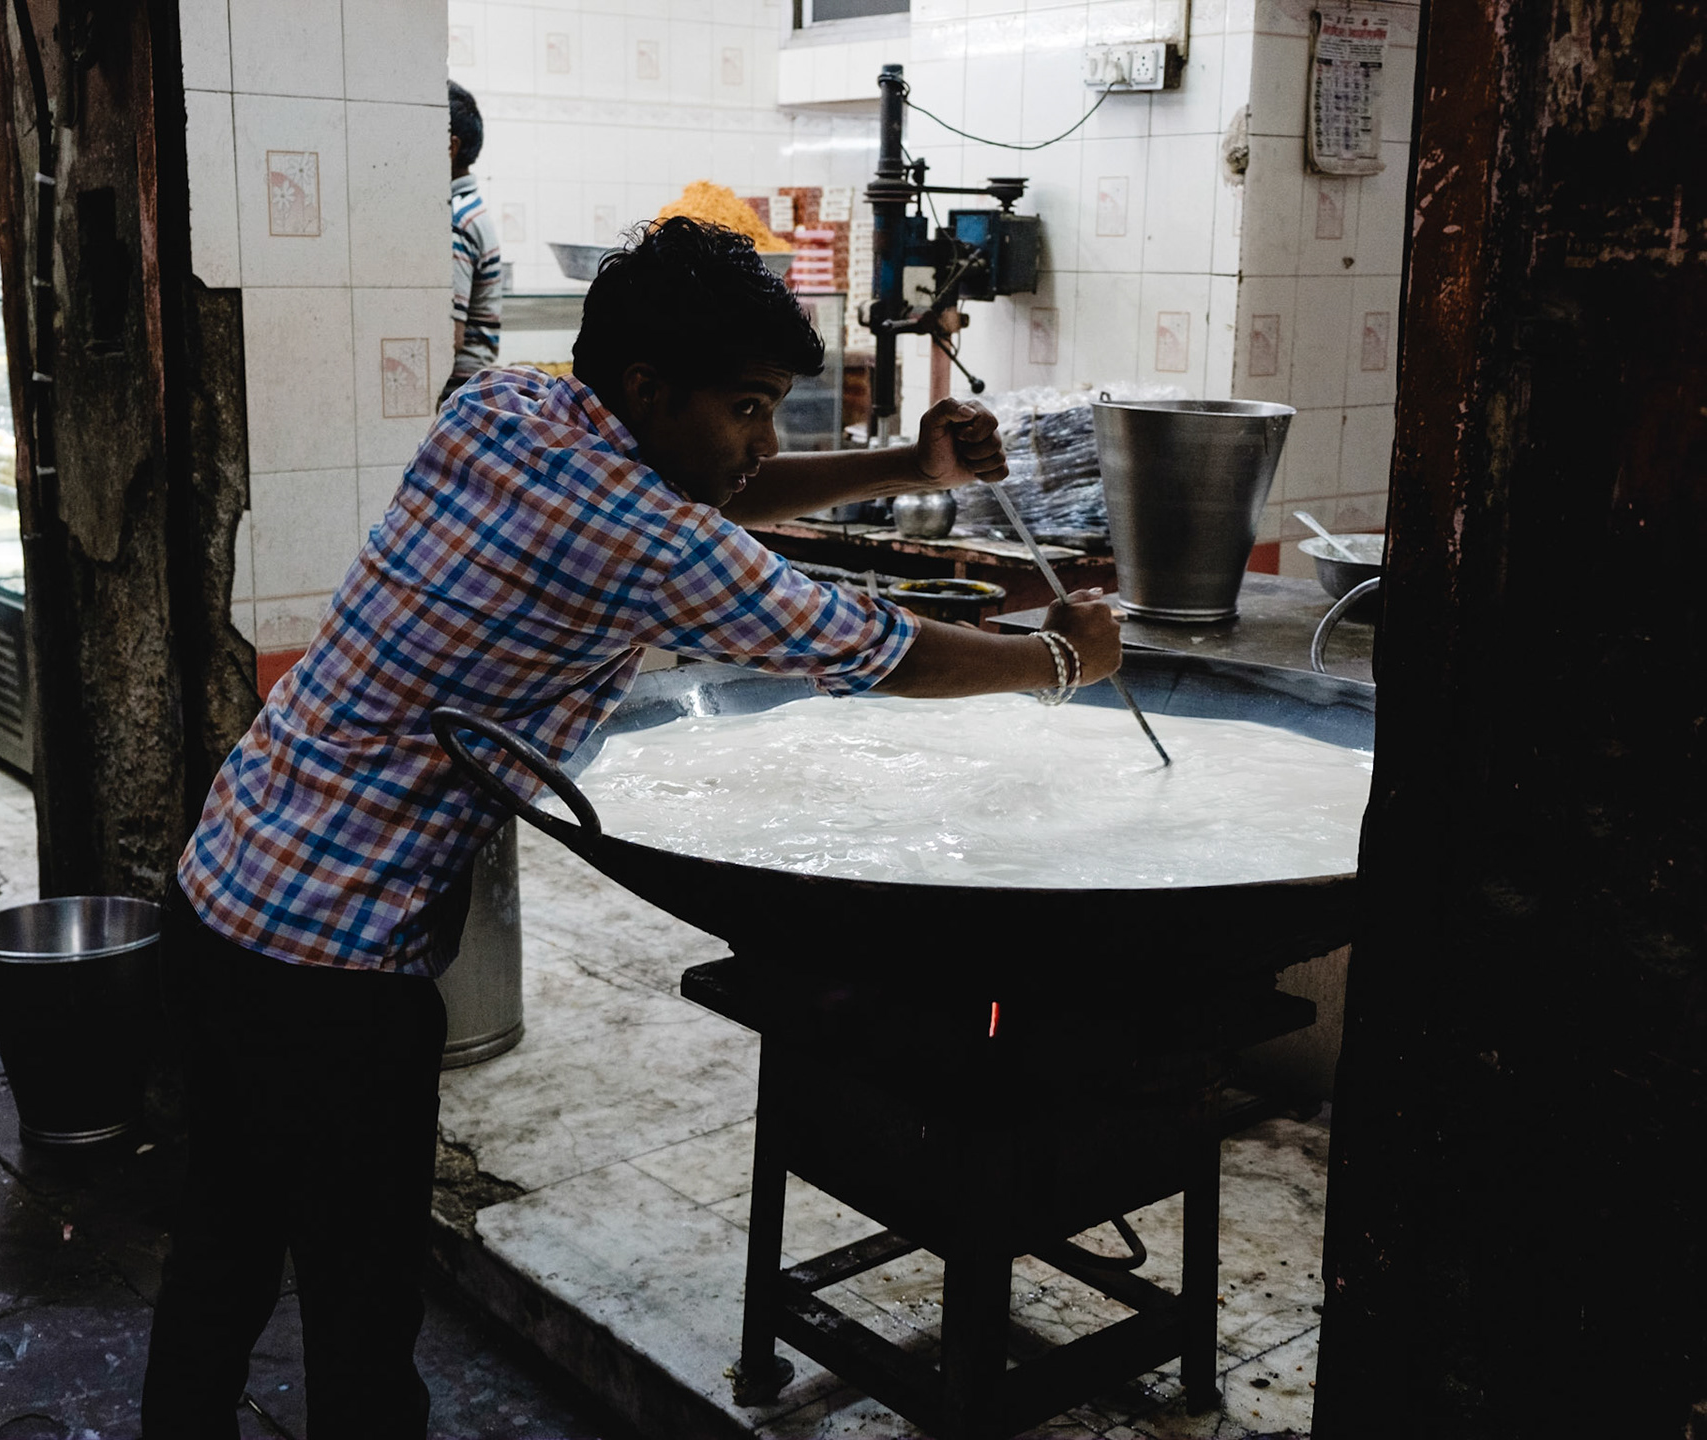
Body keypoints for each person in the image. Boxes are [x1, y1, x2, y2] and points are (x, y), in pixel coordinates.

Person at [140, 217, 1121, 1439]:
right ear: (648, 389)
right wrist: (1059, 660)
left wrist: (907, 470)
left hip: (222, 890)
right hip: (333, 972)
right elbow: (873, 649)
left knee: (223, 1240)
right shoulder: (645, 540)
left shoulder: (499, 407)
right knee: (362, 1312)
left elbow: (704, 497)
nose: (765, 442)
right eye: (748, 408)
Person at [439, 80, 500, 407]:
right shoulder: (469, 210)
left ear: (451, 147)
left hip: (457, 393)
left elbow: (452, 336)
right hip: (470, 389)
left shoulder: (456, 220)